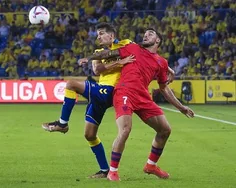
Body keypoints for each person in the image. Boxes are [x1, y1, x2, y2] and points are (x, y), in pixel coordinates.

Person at [78, 28, 195, 181]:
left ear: (158, 40)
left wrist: (181, 107)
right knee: (125, 129)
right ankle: (113, 171)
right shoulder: (132, 49)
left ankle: (151, 166)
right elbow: (107, 54)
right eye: (145, 33)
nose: (145, 35)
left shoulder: (162, 62)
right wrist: (89, 57)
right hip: (124, 92)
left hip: (143, 96)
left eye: (150, 34)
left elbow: (164, 87)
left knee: (165, 130)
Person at [42, 23, 135, 178]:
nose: (98, 37)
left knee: (71, 84)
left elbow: (138, 53)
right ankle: (104, 171)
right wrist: (119, 62)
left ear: (111, 35)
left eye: (101, 33)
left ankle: (62, 124)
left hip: (111, 90)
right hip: (100, 92)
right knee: (89, 135)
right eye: (97, 34)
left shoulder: (126, 44)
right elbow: (97, 70)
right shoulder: (98, 52)